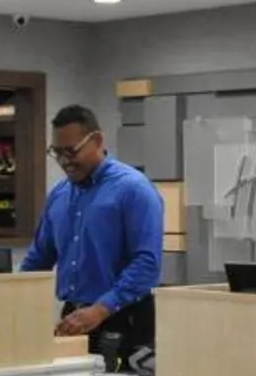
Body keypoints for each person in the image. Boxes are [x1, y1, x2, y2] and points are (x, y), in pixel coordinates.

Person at [21, 105, 163, 362]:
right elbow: (38, 258)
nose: (64, 161)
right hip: (73, 319)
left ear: (97, 140)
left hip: (123, 319)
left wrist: (100, 309)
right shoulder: (59, 194)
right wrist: (8, 298)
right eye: (57, 153)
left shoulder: (134, 190)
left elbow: (146, 263)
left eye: (71, 151)